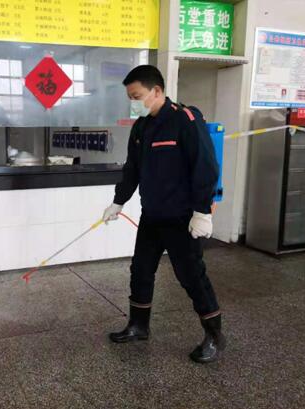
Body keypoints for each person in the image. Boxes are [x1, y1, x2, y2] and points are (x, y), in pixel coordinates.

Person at [102, 65, 225, 363]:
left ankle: (214, 336)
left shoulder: (185, 120)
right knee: (141, 270)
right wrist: (118, 202)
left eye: (137, 96)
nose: (134, 103)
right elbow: (132, 170)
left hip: (182, 218)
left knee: (191, 276)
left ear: (156, 91)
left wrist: (202, 211)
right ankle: (138, 326)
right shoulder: (141, 127)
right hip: (152, 215)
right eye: (130, 98)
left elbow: (206, 167)